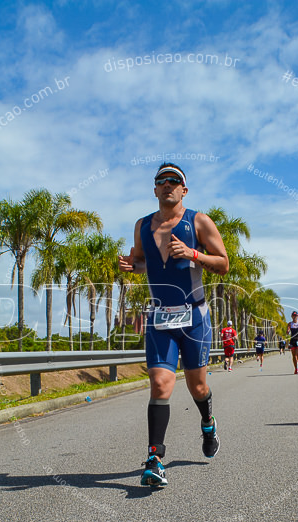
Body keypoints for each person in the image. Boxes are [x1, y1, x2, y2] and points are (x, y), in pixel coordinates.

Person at [118, 163, 229, 487]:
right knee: (161, 384)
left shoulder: (198, 221)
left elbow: (222, 263)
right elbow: (142, 263)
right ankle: (155, 458)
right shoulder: (141, 226)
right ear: (154, 190)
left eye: (174, 181)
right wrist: (131, 266)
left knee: (197, 387)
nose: (167, 185)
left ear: (184, 189)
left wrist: (193, 253)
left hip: (194, 316)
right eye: (161, 181)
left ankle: (207, 424)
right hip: (160, 317)